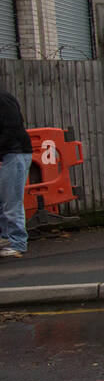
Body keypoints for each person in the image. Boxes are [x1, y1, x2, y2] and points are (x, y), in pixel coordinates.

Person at [0, 87, 29, 259]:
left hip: (14, 153)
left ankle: (17, 242)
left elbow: (13, 127)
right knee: (3, 201)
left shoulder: (3, 99)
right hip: (7, 153)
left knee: (11, 200)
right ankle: (6, 240)